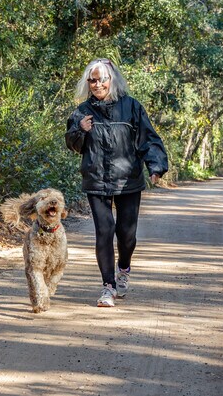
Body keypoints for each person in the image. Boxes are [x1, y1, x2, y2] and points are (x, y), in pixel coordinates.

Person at [65, 58, 169, 307]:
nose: (97, 84)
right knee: (104, 231)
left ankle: (124, 268)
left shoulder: (131, 107)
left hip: (128, 180)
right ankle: (108, 287)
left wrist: (155, 166)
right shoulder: (82, 112)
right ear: (87, 83)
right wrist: (80, 129)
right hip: (96, 179)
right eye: (92, 80)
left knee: (127, 234)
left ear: (112, 80)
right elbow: (72, 143)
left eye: (102, 79)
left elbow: (148, 139)